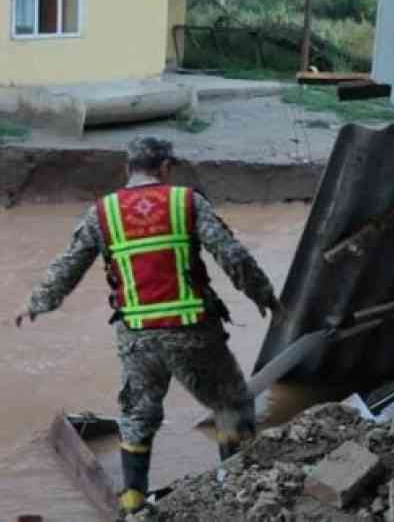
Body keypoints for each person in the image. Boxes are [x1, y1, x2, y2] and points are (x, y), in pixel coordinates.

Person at [15, 136, 281, 518]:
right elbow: (232, 255)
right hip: (192, 331)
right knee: (231, 403)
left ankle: (133, 501)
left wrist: (38, 303)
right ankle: (235, 488)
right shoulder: (185, 202)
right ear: (166, 167)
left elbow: (69, 265)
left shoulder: (102, 213)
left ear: (129, 168)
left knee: (138, 415)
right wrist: (264, 295)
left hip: (137, 336)